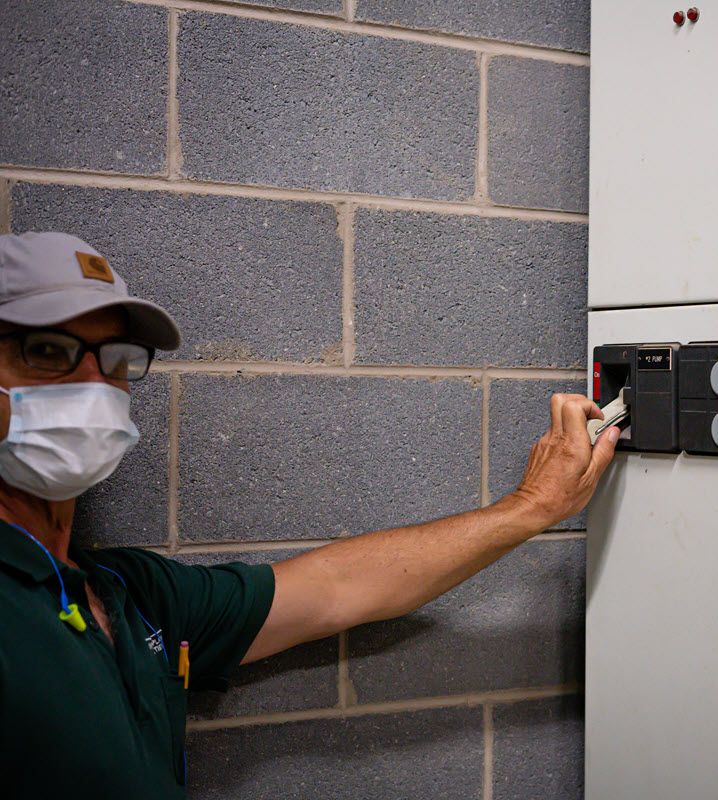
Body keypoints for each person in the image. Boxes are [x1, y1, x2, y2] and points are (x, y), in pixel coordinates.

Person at [0, 231, 619, 799]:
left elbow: (336, 587)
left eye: (114, 361)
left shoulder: (132, 595)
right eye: (47, 351)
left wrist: (532, 508)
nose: (93, 383)